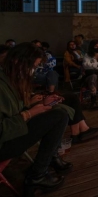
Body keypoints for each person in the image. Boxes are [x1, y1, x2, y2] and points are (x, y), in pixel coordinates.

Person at [0, 43, 72, 195]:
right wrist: (29, 113)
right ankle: (37, 175)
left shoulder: (10, 79)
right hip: (4, 143)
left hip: (14, 132)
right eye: (33, 66)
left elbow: (13, 110)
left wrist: (40, 104)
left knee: (58, 112)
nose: (33, 71)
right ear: (17, 61)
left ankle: (49, 161)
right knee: (59, 116)